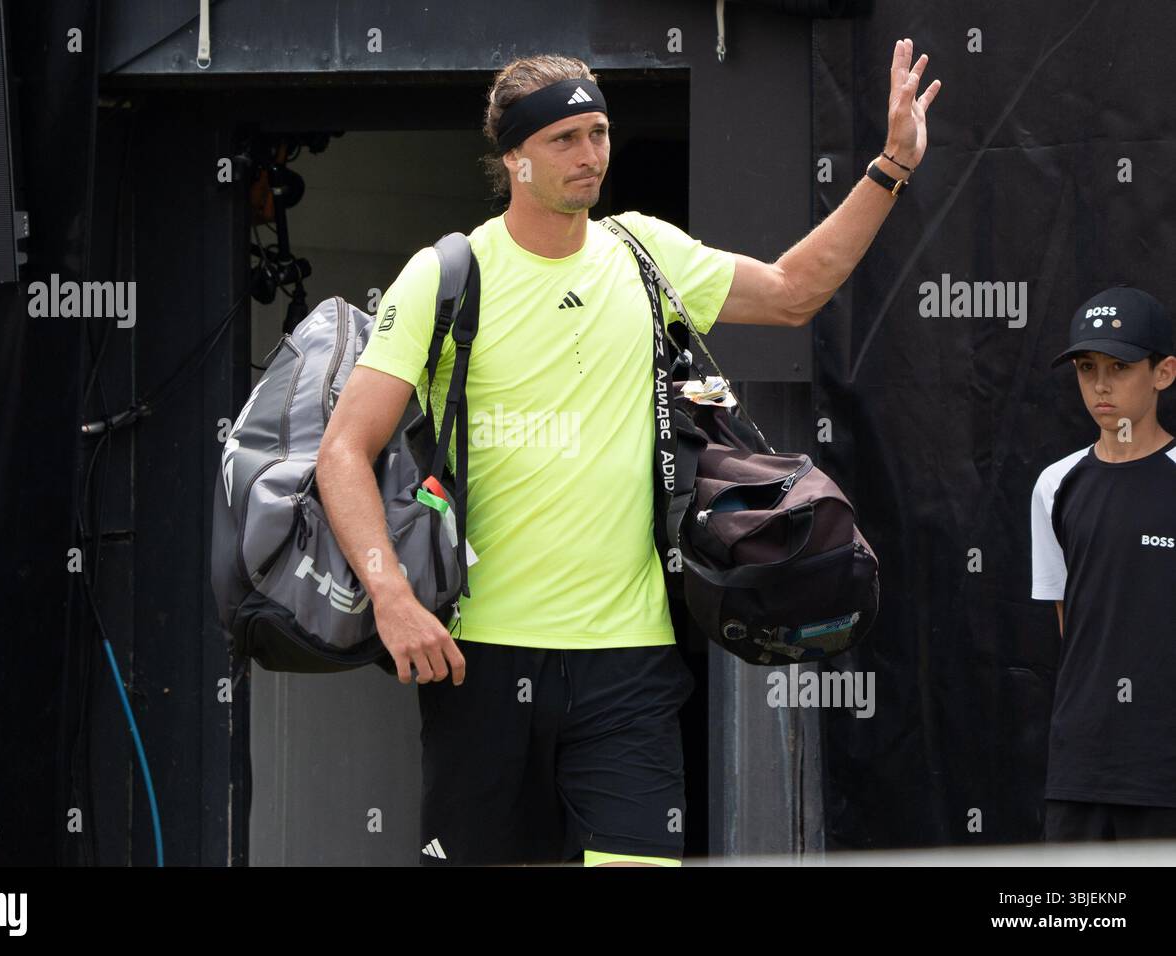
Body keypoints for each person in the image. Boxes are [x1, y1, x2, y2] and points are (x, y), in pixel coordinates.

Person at [316, 42, 939, 866]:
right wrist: (392, 600)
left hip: (631, 664)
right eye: (563, 139)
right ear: (514, 159)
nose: (590, 155)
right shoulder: (446, 274)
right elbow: (343, 452)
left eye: (599, 132)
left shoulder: (645, 252)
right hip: (481, 663)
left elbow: (795, 291)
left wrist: (891, 165)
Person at [1030, 286, 1176, 842]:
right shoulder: (1055, 484)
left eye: (1120, 366)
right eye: (1087, 367)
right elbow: (1072, 624)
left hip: (1165, 768)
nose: (1101, 384)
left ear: (1163, 373)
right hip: (1082, 767)